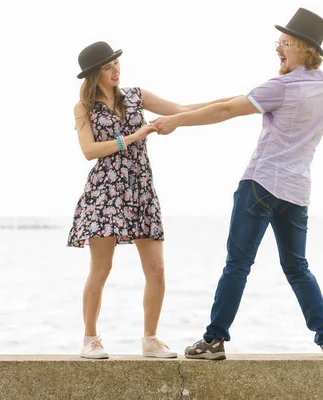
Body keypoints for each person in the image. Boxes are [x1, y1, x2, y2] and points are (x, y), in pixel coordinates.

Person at [152, 8, 323, 359]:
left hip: (260, 185)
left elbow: (228, 111)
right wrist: (182, 110)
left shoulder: (283, 86)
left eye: (284, 43)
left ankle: (214, 340)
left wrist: (178, 122)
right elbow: (232, 101)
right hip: (297, 191)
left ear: (304, 48)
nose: (278, 48)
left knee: (238, 264)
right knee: (297, 267)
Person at [68, 41, 236, 359]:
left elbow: (182, 110)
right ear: (94, 75)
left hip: (141, 189)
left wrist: (232, 103)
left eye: (117, 63)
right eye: (108, 66)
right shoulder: (84, 109)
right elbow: (89, 151)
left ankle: (150, 339)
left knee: (157, 269)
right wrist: (134, 136)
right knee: (101, 269)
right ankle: (90, 339)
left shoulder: (137, 96)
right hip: (104, 193)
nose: (116, 69)